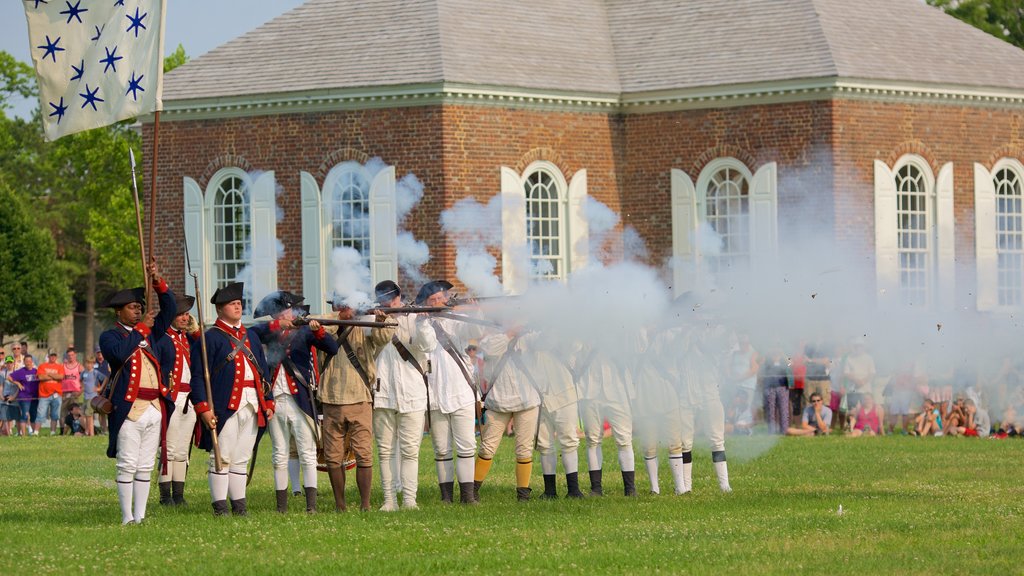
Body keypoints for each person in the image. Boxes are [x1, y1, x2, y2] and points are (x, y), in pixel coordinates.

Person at [98, 262, 177, 525]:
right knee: (127, 464)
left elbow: (171, 309)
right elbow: (119, 356)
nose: (138, 310)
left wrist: (157, 280)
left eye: (140, 307)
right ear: (119, 311)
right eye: (133, 307)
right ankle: (126, 516)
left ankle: (141, 516)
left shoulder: (152, 332)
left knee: (145, 466)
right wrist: (142, 328)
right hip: (129, 407)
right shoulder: (110, 337)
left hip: (154, 406)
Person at [190, 281, 274, 517]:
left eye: (239, 303)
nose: (237, 307)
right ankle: (220, 507)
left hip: (252, 403)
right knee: (222, 456)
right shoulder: (210, 339)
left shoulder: (251, 337)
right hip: (224, 405)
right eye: (231, 303)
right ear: (219, 309)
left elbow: (263, 372)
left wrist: (268, 401)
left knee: (241, 457)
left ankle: (239, 505)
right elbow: (197, 377)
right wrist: (203, 407)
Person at [250, 291, 338, 514]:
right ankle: (282, 507)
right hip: (276, 400)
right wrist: (277, 326)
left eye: (288, 310)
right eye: (281, 312)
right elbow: (250, 334)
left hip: (300, 399)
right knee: (279, 453)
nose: (286, 314)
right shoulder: (270, 331)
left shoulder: (305, 331)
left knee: (307, 453)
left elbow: (332, 348)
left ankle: (311, 506)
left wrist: (318, 331)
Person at [417, 280, 482, 504]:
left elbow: (475, 330)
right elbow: (425, 345)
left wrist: (476, 311)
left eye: (439, 298)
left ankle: (468, 496)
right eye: (431, 300)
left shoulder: (458, 319)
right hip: (435, 394)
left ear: (447, 298)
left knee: (466, 446)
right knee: (441, 449)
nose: (436, 302)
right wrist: (423, 322)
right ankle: (446, 497)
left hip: (462, 392)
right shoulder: (422, 323)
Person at [318, 297, 385, 512]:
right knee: (333, 456)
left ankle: (365, 504)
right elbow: (319, 328)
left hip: (360, 396)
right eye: (341, 306)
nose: (346, 309)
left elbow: (383, 337)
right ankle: (340, 504)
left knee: (364, 452)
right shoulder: (325, 323)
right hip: (331, 397)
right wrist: (340, 318)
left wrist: (380, 319)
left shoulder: (364, 324)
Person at [371, 280, 432, 511]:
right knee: (385, 451)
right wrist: (380, 321)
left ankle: (409, 500)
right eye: (384, 300)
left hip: (412, 393)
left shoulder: (415, 317)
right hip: (383, 392)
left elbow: (427, 346)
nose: (389, 303)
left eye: (392, 299)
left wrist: (424, 322)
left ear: (398, 297)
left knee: (410, 451)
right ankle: (389, 500)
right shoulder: (373, 320)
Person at [475, 326, 543, 501]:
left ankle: (523, 494)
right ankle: (471, 491)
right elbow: (490, 349)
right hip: (498, 400)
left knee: (524, 450)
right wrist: (512, 332)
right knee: (487, 448)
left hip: (527, 399)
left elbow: (546, 342)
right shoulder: (491, 336)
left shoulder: (531, 336)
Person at [158, 294, 201, 507]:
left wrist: (195, 331)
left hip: (189, 398)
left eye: (186, 315)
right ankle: (165, 496)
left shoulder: (188, 339)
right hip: (172, 397)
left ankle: (179, 494)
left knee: (183, 449)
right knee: (169, 448)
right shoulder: (163, 339)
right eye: (180, 315)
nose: (185, 318)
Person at [759, 343, 791, 434]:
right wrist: (767, 353)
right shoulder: (766, 359)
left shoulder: (784, 359)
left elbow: (790, 363)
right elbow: (759, 362)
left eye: (778, 347)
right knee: (770, 410)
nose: (776, 349)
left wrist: (782, 354)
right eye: (774, 347)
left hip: (783, 386)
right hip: (769, 387)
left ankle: (784, 431)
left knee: (784, 410)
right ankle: (771, 432)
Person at [35, 351, 64, 435]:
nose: (53, 357)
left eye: (54, 355)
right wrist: (55, 376)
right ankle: (36, 432)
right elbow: (41, 377)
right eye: (51, 355)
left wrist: (48, 374)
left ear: (56, 357)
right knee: (40, 413)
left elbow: (61, 377)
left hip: (57, 394)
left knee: (55, 414)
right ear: (48, 356)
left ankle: (53, 432)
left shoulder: (60, 366)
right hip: (44, 395)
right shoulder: (42, 366)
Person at [11, 354, 38, 437]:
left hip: (34, 397)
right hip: (24, 397)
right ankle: (24, 435)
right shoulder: (21, 371)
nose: (28, 363)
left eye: (30, 361)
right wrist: (17, 383)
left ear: (32, 362)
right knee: (25, 415)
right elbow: (9, 377)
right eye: (26, 361)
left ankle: (33, 434)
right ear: (24, 362)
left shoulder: (36, 371)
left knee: (33, 415)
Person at [60, 347, 83, 432]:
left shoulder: (79, 366)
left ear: (75, 355)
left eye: (72, 355)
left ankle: (78, 429)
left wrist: (80, 392)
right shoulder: (63, 366)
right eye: (69, 355)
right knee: (63, 413)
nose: (70, 357)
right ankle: (62, 431)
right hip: (65, 393)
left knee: (77, 412)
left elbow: (85, 381)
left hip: (75, 393)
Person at [1, 356, 21, 436]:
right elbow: (1, 386)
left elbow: (19, 387)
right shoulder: (2, 373)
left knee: (17, 417)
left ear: (13, 363)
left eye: (11, 362)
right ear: (5, 364)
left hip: (15, 397)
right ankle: (9, 434)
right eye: (8, 363)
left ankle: (19, 433)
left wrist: (14, 397)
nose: (9, 364)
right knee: (5, 417)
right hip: (5, 397)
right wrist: (2, 397)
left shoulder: (17, 372)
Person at [80, 355, 97, 436]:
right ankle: (87, 431)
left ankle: (91, 433)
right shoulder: (84, 372)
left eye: (90, 363)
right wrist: (82, 387)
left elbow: (105, 379)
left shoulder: (95, 372)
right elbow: (80, 380)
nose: (88, 365)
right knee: (83, 414)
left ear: (93, 364)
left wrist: (99, 388)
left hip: (92, 397)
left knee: (89, 415)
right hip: (85, 396)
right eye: (87, 363)